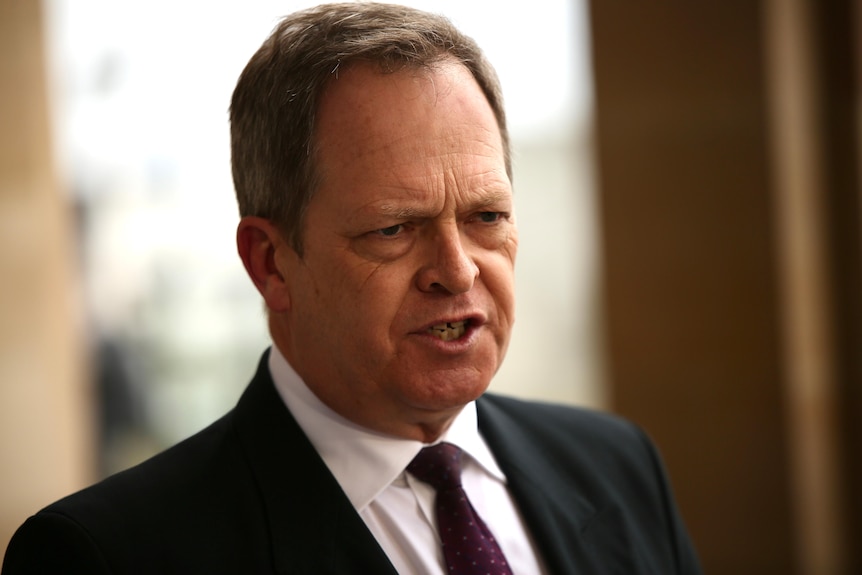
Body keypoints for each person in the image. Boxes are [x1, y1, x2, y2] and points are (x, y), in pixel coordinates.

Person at [2, 3, 701, 574]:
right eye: (395, 229)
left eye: (487, 216)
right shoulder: (104, 557)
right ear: (270, 263)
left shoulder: (620, 467)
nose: (457, 269)